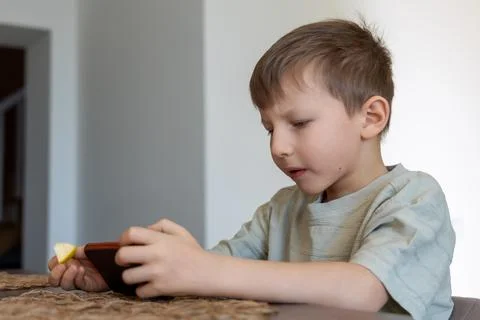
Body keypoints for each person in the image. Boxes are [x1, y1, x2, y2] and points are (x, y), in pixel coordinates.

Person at [48, 19, 455, 319]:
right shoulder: (282, 210)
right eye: (269, 129)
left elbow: (363, 291)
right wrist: (131, 276)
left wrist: (204, 269)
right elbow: (213, 276)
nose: (278, 147)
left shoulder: (414, 198)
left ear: (371, 117)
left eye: (298, 123)